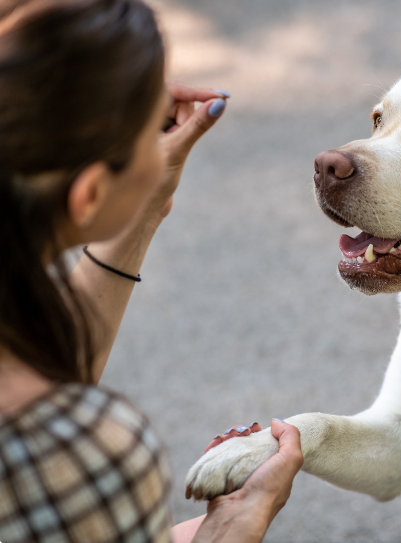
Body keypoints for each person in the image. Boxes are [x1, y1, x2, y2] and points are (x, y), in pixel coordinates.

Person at [0, 0, 303, 541]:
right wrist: (230, 530)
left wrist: (141, 212)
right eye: (147, 125)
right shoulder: (82, 456)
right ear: (89, 192)